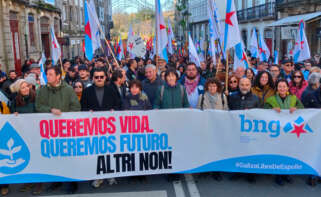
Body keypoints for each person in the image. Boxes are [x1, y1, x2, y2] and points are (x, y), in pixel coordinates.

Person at [35, 66, 81, 194]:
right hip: (50, 130)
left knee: (69, 156)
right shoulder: (42, 90)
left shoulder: (68, 90)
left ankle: (72, 182)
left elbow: (76, 107)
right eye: (47, 74)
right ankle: (56, 180)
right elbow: (38, 106)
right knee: (54, 155)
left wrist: (66, 117)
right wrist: (50, 111)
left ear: (58, 76)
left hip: (66, 129)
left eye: (50, 74)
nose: (47, 76)